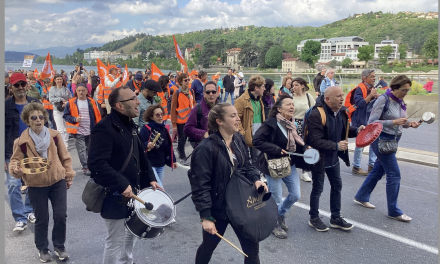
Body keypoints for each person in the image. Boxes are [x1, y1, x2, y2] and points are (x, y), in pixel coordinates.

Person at [87, 86, 162, 264]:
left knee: (132, 234)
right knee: (115, 241)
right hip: (114, 194)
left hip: (134, 191)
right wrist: (121, 184)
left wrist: (151, 178)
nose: (138, 102)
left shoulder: (131, 125)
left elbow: (141, 155)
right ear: (119, 105)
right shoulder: (104, 128)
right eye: (133, 99)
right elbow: (96, 164)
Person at [189, 103, 267, 264]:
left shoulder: (238, 139)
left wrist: (256, 179)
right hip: (219, 209)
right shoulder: (205, 148)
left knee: (252, 251)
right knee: (208, 246)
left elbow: (247, 165)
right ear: (219, 121)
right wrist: (206, 216)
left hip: (241, 205)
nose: (238, 118)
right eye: (232, 116)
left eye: (236, 115)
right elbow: (200, 185)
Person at [9, 102, 75, 262]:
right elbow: (14, 162)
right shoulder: (21, 142)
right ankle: (42, 248)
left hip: (57, 181)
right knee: (42, 218)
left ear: (45, 118)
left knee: (60, 215)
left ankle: (59, 246)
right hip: (36, 185)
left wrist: (68, 174)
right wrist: (16, 170)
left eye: (41, 117)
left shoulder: (54, 136)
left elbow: (65, 157)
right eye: (34, 118)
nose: (38, 120)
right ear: (27, 120)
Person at [354, 75, 421, 222]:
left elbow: (400, 122)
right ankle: (394, 210)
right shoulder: (383, 100)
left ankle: (361, 196)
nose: (406, 93)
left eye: (408, 90)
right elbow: (372, 122)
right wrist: (394, 121)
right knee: (394, 174)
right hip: (382, 140)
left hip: (393, 140)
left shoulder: (400, 101)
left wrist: (409, 124)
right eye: (404, 90)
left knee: (378, 171)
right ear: (394, 88)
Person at [306, 86, 364, 232]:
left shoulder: (342, 112)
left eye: (342, 95)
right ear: (327, 99)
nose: (341, 98)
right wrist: (337, 146)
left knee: (337, 186)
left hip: (333, 158)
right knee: (318, 189)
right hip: (319, 159)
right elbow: (315, 141)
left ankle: (335, 218)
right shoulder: (316, 114)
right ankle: (313, 217)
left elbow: (343, 130)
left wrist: (357, 130)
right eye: (338, 96)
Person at [253, 95, 305, 239]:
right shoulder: (270, 124)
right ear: (279, 108)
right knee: (275, 197)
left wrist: (306, 147)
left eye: (293, 104)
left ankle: (280, 214)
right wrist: (275, 149)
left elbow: (297, 142)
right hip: (273, 165)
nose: (292, 107)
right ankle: (274, 222)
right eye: (288, 104)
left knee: (295, 195)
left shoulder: (292, 124)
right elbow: (256, 141)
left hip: (289, 164)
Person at [5, 73, 37, 234]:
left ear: (27, 85)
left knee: (32, 182)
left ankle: (29, 209)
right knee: (13, 185)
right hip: (11, 153)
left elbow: (46, 125)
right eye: (16, 85)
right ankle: (20, 218)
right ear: (11, 87)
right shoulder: (5, 106)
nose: (20, 87)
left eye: (22, 84)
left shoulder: (35, 103)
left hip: (33, 151)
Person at [63, 83, 102, 176]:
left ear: (87, 91)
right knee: (81, 150)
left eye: (83, 90)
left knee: (90, 149)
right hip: (78, 131)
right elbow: (65, 115)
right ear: (76, 91)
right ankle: (85, 167)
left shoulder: (91, 101)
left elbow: (96, 114)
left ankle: (89, 165)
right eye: (79, 90)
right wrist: (74, 119)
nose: (81, 92)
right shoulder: (71, 102)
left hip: (90, 130)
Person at [139, 105, 177, 189]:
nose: (160, 116)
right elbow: (139, 144)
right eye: (157, 115)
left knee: (154, 189)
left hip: (160, 164)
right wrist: (147, 144)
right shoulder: (145, 129)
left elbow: (168, 147)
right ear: (151, 117)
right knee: (159, 188)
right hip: (150, 165)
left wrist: (173, 160)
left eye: (161, 114)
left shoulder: (164, 129)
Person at [351, 69, 379, 175]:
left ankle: (371, 166)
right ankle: (356, 167)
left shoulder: (371, 89)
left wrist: (378, 96)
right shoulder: (359, 89)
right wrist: (371, 95)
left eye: (374, 76)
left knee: (373, 141)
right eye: (371, 76)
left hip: (370, 119)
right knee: (360, 144)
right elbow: (360, 104)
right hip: (360, 120)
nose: (374, 78)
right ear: (364, 78)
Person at [235, 75, 266, 168]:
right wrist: (243, 133)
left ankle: (257, 175)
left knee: (258, 157)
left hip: (259, 133)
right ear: (256, 88)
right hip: (247, 133)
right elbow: (236, 119)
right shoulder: (241, 100)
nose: (264, 89)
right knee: (245, 158)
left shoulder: (259, 99)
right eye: (263, 87)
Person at [291, 77, 316, 182]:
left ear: (302, 86)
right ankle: (291, 169)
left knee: (305, 146)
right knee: (293, 146)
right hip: (293, 124)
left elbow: (314, 109)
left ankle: (304, 172)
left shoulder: (308, 96)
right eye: (293, 85)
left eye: (296, 85)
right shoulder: (290, 97)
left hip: (306, 124)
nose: (294, 87)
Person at [184, 80, 219, 148]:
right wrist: (203, 134)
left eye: (213, 92)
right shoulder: (197, 109)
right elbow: (187, 129)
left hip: (219, 144)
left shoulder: (222, 108)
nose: (211, 94)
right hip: (203, 146)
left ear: (217, 93)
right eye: (208, 92)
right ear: (204, 94)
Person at [171, 73, 196, 166]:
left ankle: (197, 154)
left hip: (191, 120)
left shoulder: (191, 91)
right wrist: (174, 125)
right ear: (180, 82)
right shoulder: (177, 93)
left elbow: (193, 104)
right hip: (181, 121)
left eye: (188, 79)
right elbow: (173, 109)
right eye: (185, 80)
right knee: (182, 139)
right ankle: (182, 156)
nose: (187, 81)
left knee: (193, 138)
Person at [48, 73, 72, 148]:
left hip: (65, 110)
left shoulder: (66, 89)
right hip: (57, 109)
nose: (59, 81)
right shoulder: (52, 89)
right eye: (57, 79)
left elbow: (70, 98)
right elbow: (51, 99)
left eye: (60, 79)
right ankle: (62, 144)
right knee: (60, 128)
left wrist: (66, 103)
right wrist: (60, 99)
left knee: (66, 128)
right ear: (55, 80)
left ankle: (66, 143)